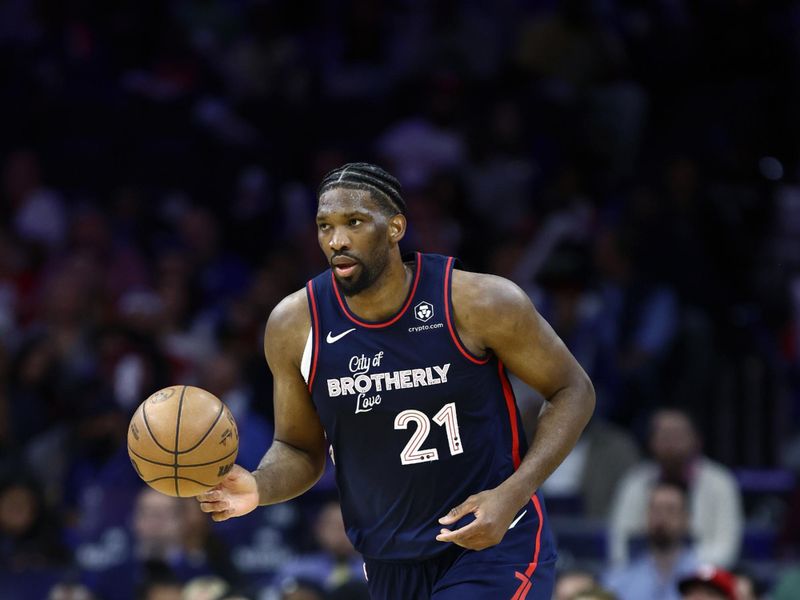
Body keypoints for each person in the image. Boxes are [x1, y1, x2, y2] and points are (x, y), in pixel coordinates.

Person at [197, 162, 595, 599]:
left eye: (354, 222)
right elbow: (298, 448)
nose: (337, 240)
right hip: (389, 563)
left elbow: (572, 389)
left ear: (395, 227)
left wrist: (514, 493)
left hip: (494, 546)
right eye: (324, 226)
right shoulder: (295, 324)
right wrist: (258, 486)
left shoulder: (478, 301)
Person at [608, 408, 743, 567]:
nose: (670, 442)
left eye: (678, 434)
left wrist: (679, 566)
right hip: (642, 574)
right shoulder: (634, 482)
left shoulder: (720, 482)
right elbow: (619, 547)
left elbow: (726, 549)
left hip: (703, 578)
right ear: (651, 442)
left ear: (697, 440)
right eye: (664, 434)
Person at [604, 481, 699, 600]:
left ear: (686, 519)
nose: (662, 518)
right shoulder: (620, 579)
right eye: (656, 510)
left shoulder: (701, 578)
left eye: (670, 510)